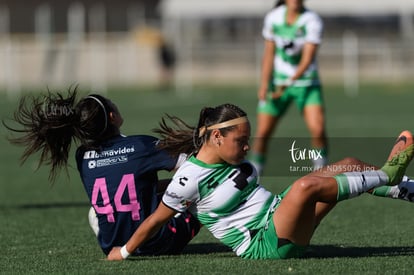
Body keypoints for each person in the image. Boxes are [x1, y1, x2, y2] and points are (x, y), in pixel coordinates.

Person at [107, 103, 414, 260]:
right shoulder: (187, 179)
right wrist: (123, 252)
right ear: (216, 137)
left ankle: (407, 188)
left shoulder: (226, 160)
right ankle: (388, 174)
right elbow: (154, 222)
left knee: (345, 165)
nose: (246, 147)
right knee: (304, 187)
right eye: (240, 140)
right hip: (264, 243)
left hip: (279, 214)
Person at [3, 88, 200, 256]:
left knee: (94, 211)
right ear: (112, 117)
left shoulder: (82, 155)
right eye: (112, 103)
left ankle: (120, 242)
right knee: (204, 182)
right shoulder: (141, 146)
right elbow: (194, 169)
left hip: (112, 246)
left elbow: (131, 186)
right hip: (157, 244)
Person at [250, 0, 328, 175]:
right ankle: (253, 175)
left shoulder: (312, 20)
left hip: (307, 84)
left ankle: (320, 173)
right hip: (277, 84)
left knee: (318, 129)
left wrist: (290, 81)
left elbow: (307, 59)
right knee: (262, 133)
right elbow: (268, 54)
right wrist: (264, 84)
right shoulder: (273, 17)